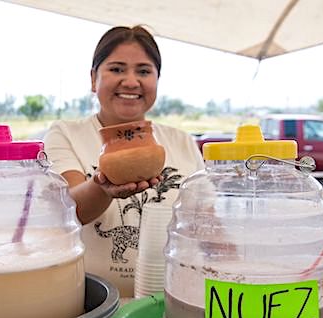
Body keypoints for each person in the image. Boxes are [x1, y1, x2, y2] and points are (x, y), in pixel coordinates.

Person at [44, 25, 204, 297]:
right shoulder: (65, 134)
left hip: (171, 301)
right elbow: (68, 209)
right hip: (91, 304)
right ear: (94, 79)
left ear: (157, 80)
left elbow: (205, 221)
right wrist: (101, 187)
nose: (131, 81)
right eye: (117, 69)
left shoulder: (182, 141)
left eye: (144, 71)